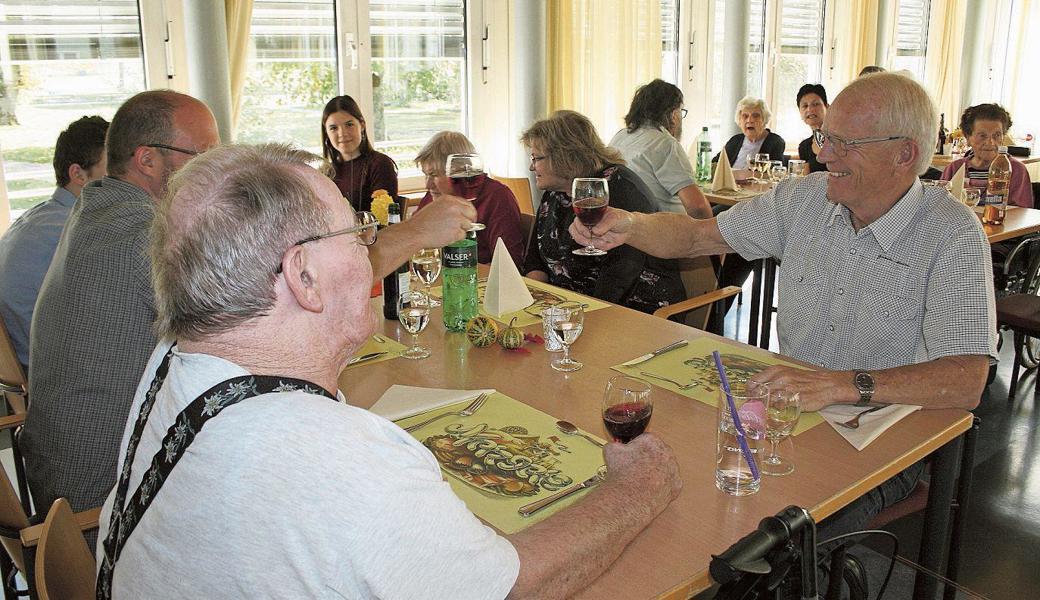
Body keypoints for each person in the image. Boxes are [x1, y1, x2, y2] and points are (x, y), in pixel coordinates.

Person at [94, 143, 682, 598]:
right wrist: (636, 490)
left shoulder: (176, 357)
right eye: (357, 235)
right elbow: (512, 588)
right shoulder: (332, 457)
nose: (369, 251)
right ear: (302, 277)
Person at [571, 72, 995, 536]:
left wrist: (839, 385)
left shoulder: (952, 234)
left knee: (770, 543)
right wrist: (629, 224)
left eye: (843, 142)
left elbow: (965, 379)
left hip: (882, 432)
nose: (822, 152)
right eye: (823, 136)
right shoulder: (804, 200)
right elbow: (696, 237)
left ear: (904, 153)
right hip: (785, 411)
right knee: (680, 495)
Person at [22, 90, 222, 523]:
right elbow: (242, 325)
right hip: (104, 502)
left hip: (65, 470)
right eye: (203, 155)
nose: (215, 169)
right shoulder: (142, 233)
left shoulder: (99, 207)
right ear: (147, 160)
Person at [521, 110, 685, 315]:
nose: (531, 166)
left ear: (564, 155)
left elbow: (621, 275)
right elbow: (536, 260)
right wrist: (533, 305)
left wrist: (576, 315)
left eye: (536, 158)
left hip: (635, 310)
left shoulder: (619, 188)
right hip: (570, 307)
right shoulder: (555, 192)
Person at [0, 115, 108, 371]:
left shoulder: (37, 218)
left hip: (17, 367)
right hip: (49, 370)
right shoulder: (72, 230)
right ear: (78, 174)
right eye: (112, 170)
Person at [415, 131, 526, 268]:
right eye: (426, 175)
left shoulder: (496, 197)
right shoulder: (433, 196)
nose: (428, 185)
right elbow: (415, 248)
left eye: (434, 175)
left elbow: (508, 264)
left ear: (457, 171)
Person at [608, 79, 712, 218]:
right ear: (673, 114)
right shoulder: (664, 144)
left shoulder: (620, 137)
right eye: (681, 111)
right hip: (666, 229)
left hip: (628, 224)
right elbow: (698, 207)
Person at [941, 103, 1033, 208]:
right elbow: (939, 207)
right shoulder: (954, 168)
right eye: (982, 136)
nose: (991, 142)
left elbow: (1023, 213)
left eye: (997, 135)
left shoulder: (1016, 170)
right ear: (968, 138)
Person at [322, 95, 398, 212]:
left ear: (362, 125)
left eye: (349, 125)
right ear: (326, 132)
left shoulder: (380, 164)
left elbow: (385, 219)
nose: (342, 133)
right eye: (333, 128)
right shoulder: (326, 172)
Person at [714, 96, 786, 170]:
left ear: (764, 119)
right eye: (745, 116)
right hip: (730, 181)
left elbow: (775, 172)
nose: (750, 120)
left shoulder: (775, 142)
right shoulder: (735, 140)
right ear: (739, 120)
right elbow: (715, 163)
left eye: (755, 116)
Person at [796, 84, 829, 174]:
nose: (810, 109)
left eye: (815, 104)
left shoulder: (839, 139)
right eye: (805, 106)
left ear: (827, 107)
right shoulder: (804, 146)